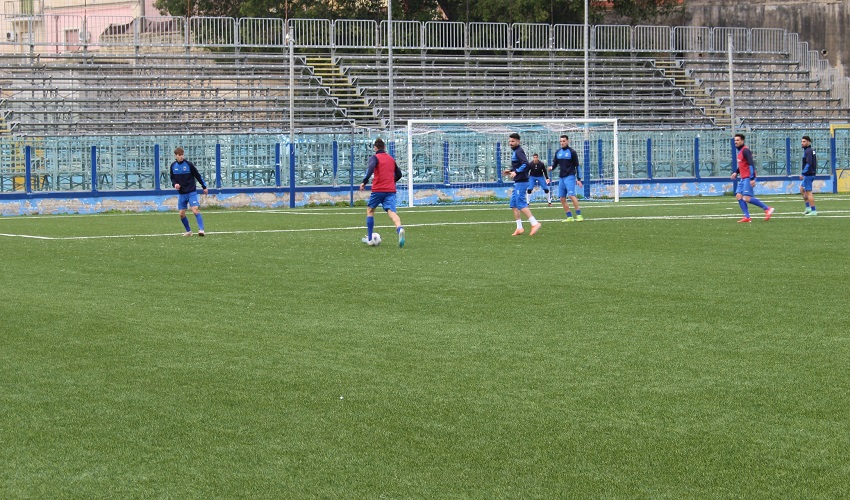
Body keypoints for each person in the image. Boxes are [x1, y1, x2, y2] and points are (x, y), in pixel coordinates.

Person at [359, 138, 406, 247]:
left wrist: (364, 182)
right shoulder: (391, 159)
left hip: (378, 189)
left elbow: (370, 169)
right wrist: (390, 180)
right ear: (385, 147)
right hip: (390, 190)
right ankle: (399, 228)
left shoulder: (374, 157)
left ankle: (370, 238)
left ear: (375, 148)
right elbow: (399, 174)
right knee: (391, 211)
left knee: (370, 210)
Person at [504, 133, 541, 236]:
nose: (511, 143)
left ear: (518, 142)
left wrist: (516, 172)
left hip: (522, 182)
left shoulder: (519, 151)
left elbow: (525, 164)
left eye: (513, 141)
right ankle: (519, 228)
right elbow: (520, 165)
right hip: (518, 181)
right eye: (510, 141)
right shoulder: (516, 151)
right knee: (514, 205)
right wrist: (511, 171)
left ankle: (535, 223)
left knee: (520, 203)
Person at [731, 133, 774, 223]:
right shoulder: (739, 152)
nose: (736, 142)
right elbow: (742, 165)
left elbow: (751, 164)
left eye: (737, 140)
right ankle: (747, 217)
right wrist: (736, 172)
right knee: (739, 196)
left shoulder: (745, 150)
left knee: (746, 198)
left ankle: (767, 208)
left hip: (748, 177)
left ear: (742, 141)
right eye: (735, 140)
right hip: (743, 178)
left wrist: (752, 178)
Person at [169, 147, 208, 236]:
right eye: (179, 155)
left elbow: (198, 176)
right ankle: (189, 231)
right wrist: (175, 184)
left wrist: (204, 186)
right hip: (182, 193)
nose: (181, 157)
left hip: (191, 192)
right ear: (175, 156)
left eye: (182, 155)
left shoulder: (189, 164)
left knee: (195, 210)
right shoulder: (173, 166)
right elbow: (172, 178)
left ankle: (201, 230)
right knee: (181, 214)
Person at [549, 135, 584, 222]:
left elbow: (577, 166)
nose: (562, 143)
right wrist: (551, 168)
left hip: (570, 177)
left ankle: (579, 215)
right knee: (562, 198)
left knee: (571, 195)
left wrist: (579, 179)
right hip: (562, 178)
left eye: (564, 141)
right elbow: (555, 164)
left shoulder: (572, 152)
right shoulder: (558, 152)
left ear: (568, 141)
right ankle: (569, 217)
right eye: (561, 141)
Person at [800, 135, 818, 215]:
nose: (802, 143)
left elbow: (809, 163)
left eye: (804, 141)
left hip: (809, 174)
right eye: (802, 141)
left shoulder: (808, 151)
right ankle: (808, 208)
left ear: (808, 142)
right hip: (809, 174)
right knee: (802, 189)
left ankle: (813, 210)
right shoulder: (809, 150)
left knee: (808, 192)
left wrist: (803, 173)